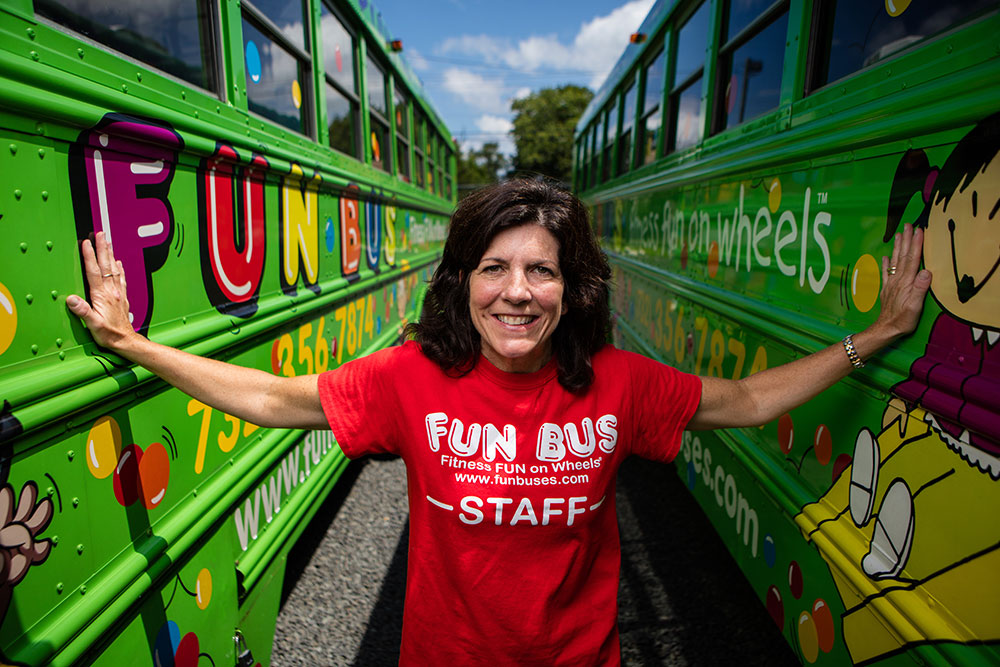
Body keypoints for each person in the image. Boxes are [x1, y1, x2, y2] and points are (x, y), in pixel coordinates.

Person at [66, 178, 931, 665]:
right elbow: (269, 397)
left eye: (541, 272)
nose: (517, 290)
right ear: (463, 282)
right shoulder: (410, 378)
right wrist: (137, 347)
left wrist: (877, 335)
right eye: (494, 267)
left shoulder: (620, 386)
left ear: (574, 287)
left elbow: (743, 401)